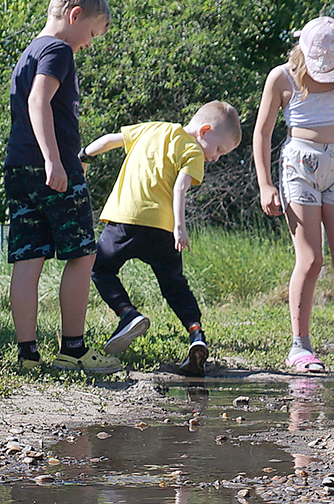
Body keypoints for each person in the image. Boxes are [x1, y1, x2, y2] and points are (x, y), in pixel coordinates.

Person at [6, 0, 120, 373]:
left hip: (19, 167)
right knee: (82, 254)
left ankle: (27, 356)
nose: (88, 43)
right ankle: (73, 349)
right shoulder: (57, 50)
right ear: (74, 16)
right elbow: (40, 100)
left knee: (28, 258)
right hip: (51, 168)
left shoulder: (30, 51)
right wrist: (54, 160)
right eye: (90, 33)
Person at [253, 18, 334, 377]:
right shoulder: (282, 77)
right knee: (310, 260)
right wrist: (265, 184)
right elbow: (262, 133)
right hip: (299, 167)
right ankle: (300, 346)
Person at [82, 101, 243, 378]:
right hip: (162, 228)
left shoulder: (153, 128)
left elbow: (110, 140)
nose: (216, 157)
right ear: (203, 131)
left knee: (100, 268)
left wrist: (83, 156)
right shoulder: (192, 150)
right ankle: (196, 333)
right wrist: (180, 226)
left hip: (125, 219)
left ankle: (127, 313)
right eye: (218, 150)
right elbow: (180, 186)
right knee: (174, 285)